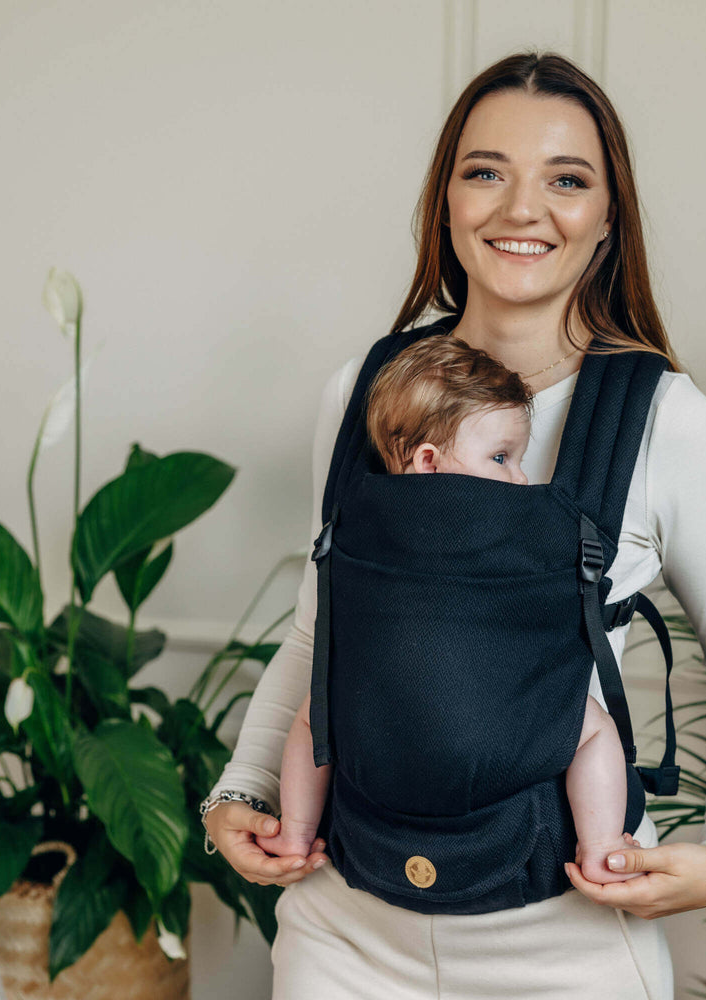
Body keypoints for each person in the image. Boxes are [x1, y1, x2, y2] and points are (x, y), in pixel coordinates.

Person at [202, 50, 706, 999]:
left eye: (567, 181)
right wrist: (241, 790)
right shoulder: (365, 391)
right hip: (342, 932)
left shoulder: (664, 420)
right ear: (445, 201)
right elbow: (322, 634)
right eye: (486, 172)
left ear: (608, 219)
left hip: (565, 943)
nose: (523, 210)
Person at [252, 334, 645, 886]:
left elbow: (315, 639)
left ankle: (295, 833)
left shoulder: (363, 515)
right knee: (594, 728)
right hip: (503, 726)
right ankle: (602, 848)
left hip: (375, 719)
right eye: (502, 458)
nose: (521, 479)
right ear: (429, 462)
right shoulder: (519, 523)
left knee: (313, 717)